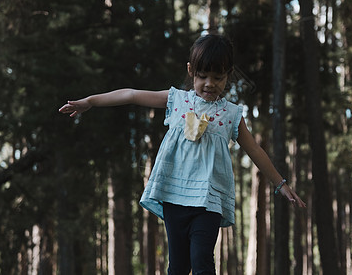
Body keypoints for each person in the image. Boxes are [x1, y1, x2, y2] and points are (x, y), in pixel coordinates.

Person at [59, 34, 306, 275]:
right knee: (178, 266)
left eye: (218, 77)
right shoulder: (176, 100)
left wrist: (280, 183)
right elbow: (132, 95)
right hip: (174, 197)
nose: (210, 83)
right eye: (202, 76)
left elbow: (254, 149)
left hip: (209, 200)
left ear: (228, 75)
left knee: (202, 262)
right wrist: (91, 101)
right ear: (191, 71)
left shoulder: (231, 114)